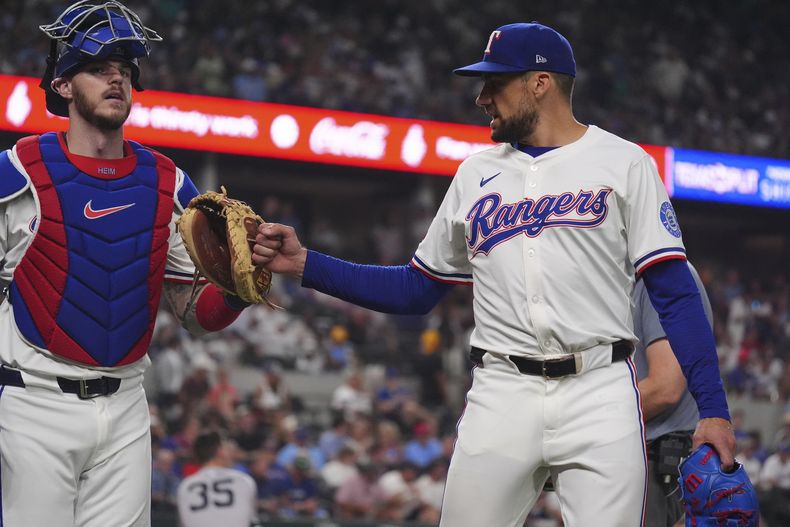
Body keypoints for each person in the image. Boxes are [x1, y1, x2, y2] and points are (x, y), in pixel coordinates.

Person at [253, 21, 735, 526]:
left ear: (540, 83)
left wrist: (715, 411)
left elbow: (675, 294)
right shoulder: (474, 173)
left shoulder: (625, 164)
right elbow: (416, 289)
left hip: (602, 391)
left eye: (495, 83)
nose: (482, 97)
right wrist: (305, 263)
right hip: (502, 391)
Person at [0, 2, 253, 525]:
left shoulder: (168, 181)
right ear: (64, 86)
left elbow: (189, 307)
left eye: (125, 72)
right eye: (98, 69)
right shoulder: (17, 172)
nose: (116, 80)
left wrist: (234, 290)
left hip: (127, 407)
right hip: (31, 405)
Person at [633, 263, 713, 527]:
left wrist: (580, 422)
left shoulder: (661, 274)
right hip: (645, 455)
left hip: (657, 459)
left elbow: (665, 388)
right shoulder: (630, 280)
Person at [177, 432, 259, 527]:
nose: (231, 451)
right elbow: (253, 523)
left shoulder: (186, 486)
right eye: (227, 447)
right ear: (220, 452)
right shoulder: (243, 480)